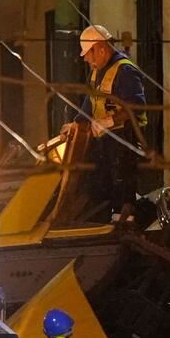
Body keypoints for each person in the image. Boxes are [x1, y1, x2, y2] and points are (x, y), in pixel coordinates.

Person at [62, 25, 147, 220]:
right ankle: (107, 219)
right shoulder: (97, 71)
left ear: (100, 48)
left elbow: (136, 106)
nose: (85, 59)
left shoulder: (125, 70)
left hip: (126, 138)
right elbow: (90, 101)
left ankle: (124, 222)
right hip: (107, 139)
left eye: (88, 54)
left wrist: (109, 121)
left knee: (121, 184)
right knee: (102, 182)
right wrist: (77, 123)